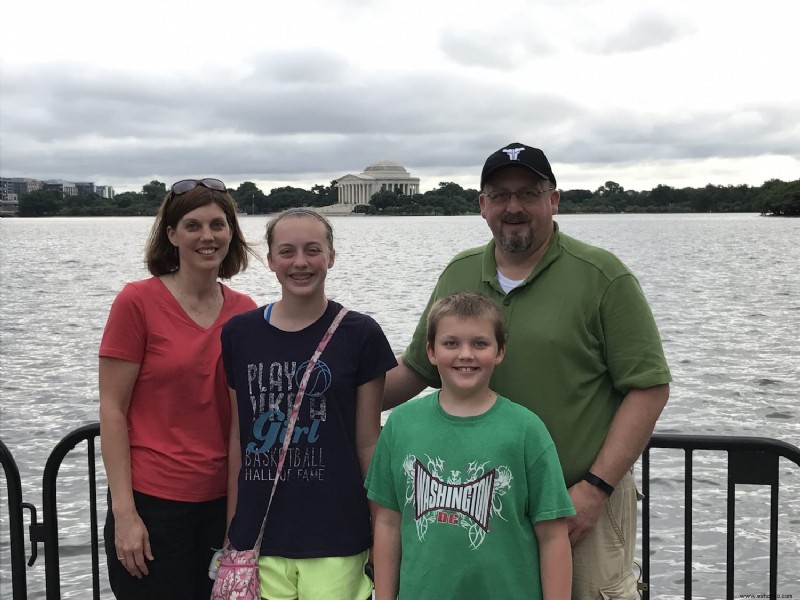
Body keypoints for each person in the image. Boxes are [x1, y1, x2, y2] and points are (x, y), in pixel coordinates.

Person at [384, 143, 672, 599]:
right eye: (499, 195)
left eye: (528, 193)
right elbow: (417, 370)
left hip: (580, 503)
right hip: (483, 504)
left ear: (553, 200)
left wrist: (596, 488)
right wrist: (330, 391)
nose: (513, 207)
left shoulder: (603, 275)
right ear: (482, 206)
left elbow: (650, 388)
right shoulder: (458, 273)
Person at [221, 208, 396, 600]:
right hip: (261, 537)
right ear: (270, 260)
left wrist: (380, 525)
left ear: (330, 256)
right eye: (287, 251)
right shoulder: (239, 334)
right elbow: (239, 436)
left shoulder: (360, 333)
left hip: (336, 533)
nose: (300, 262)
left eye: (312, 250)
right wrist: (234, 525)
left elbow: (367, 440)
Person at [99, 178, 257, 600]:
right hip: (152, 506)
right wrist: (125, 514)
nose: (207, 236)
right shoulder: (137, 302)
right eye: (192, 225)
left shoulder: (246, 313)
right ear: (171, 235)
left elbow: (249, 420)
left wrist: (239, 519)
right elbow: (112, 409)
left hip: (223, 504)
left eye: (218, 225)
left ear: (231, 233)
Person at [367, 291, 575, 600]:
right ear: (431, 352)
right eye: (451, 343)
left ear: (500, 351)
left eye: (480, 343)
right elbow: (387, 523)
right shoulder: (401, 424)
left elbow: (553, 535)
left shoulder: (527, 430)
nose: (466, 354)